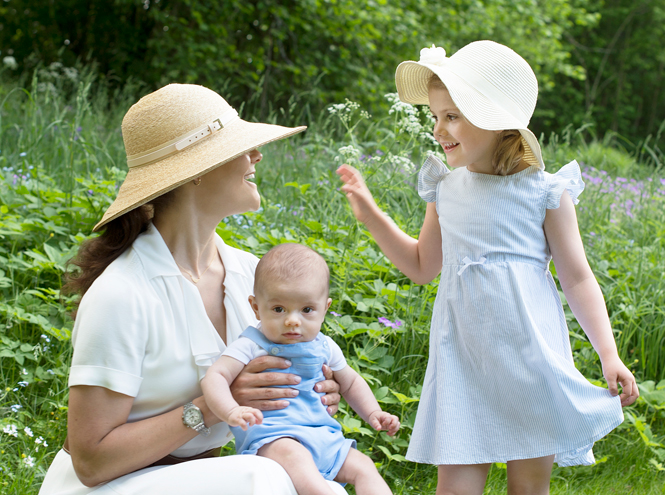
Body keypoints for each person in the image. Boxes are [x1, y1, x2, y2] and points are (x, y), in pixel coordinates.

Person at [336, 41, 639, 495]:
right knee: (455, 487)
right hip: (463, 360)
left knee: (528, 488)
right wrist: (371, 216)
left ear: (495, 119)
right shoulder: (447, 189)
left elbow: (577, 278)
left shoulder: (544, 192)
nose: (439, 128)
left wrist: (608, 353)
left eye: (452, 116)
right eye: (436, 117)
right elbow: (422, 265)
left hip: (528, 359)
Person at [39, 83, 347, 495]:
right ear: (196, 170)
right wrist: (214, 406)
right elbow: (92, 462)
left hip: (199, 481)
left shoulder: (251, 275)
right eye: (241, 146)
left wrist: (310, 391)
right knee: (266, 478)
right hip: (103, 488)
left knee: (297, 472)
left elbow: (281, 386)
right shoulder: (122, 294)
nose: (256, 155)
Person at [202, 243, 400, 495]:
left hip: (323, 435)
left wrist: (374, 411)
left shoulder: (326, 346)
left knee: (364, 466)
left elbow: (350, 383)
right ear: (256, 308)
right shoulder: (252, 344)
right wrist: (230, 410)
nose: (292, 320)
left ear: (325, 308)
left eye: (307, 310)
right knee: (298, 461)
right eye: (278, 309)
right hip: (275, 437)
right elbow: (215, 376)